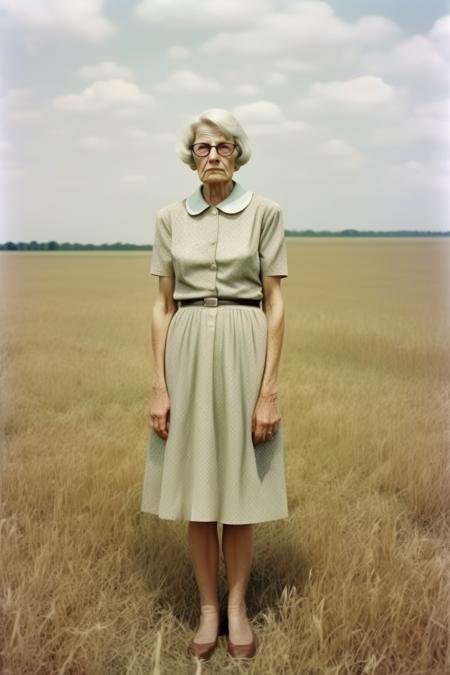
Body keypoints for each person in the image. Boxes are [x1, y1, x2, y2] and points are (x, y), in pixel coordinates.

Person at [140, 108, 289, 661]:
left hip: (246, 345)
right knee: (200, 487)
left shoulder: (266, 213)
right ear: (190, 156)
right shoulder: (168, 219)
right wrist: (159, 385)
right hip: (186, 350)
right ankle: (207, 609)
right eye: (203, 148)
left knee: (240, 487)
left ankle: (237, 607)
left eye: (222, 147)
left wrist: (268, 390)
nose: (212, 156)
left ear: (238, 153)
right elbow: (160, 306)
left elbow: (274, 301)